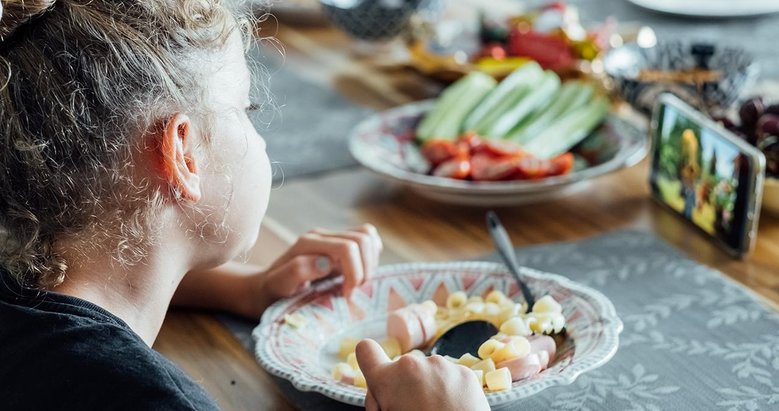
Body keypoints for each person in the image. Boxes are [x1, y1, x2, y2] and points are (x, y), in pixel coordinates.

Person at [0, 1, 489, 410]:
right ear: (182, 155)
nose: (258, 139)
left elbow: (104, 268)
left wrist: (246, 290)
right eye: (245, 109)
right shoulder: (153, 399)